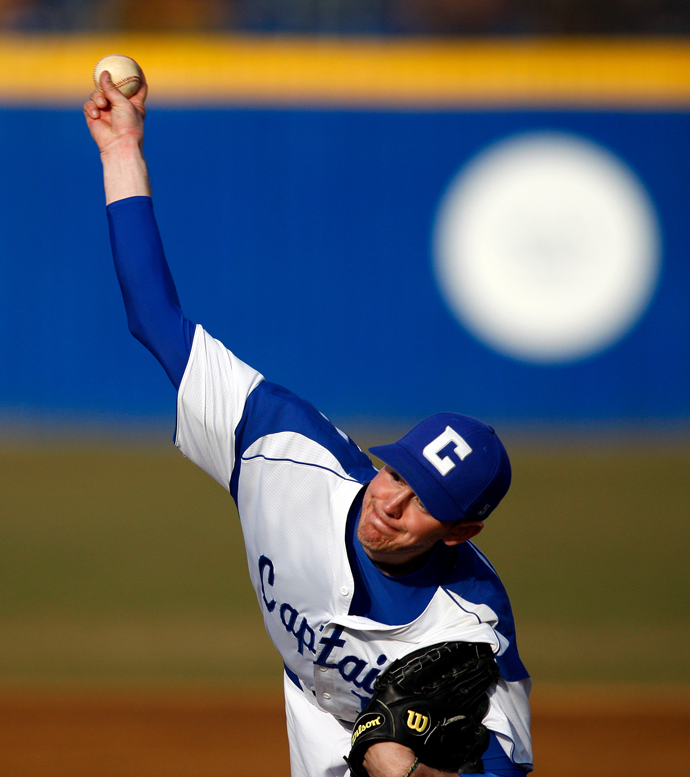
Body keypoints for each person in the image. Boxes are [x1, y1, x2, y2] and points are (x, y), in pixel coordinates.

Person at [84, 69, 533, 777]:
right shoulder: (284, 450)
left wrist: (408, 768)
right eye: (396, 471)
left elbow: (507, 765)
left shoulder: (470, 623)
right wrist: (121, 149)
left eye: (425, 502)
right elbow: (155, 318)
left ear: (460, 532)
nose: (391, 502)